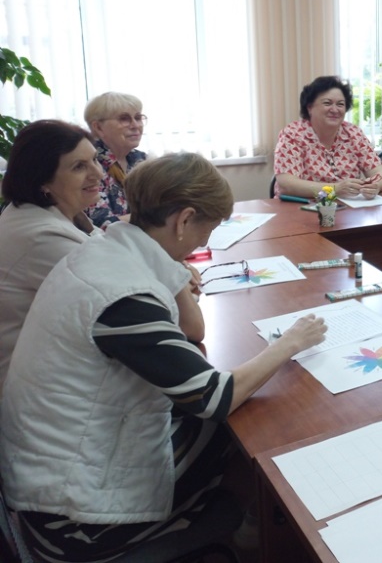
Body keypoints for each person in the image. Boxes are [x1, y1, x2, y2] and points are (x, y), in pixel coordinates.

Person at [0, 153, 327, 561]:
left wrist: (173, 258)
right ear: (183, 219)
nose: (205, 242)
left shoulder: (110, 247)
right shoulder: (123, 294)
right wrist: (290, 342)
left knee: (224, 418)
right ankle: (256, 536)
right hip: (70, 519)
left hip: (51, 470)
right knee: (252, 431)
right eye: (207, 228)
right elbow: (214, 397)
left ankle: (246, 525)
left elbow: (192, 331)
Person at [0, 120, 102, 392]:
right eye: (79, 167)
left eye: (94, 160)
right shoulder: (42, 236)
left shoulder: (58, 215)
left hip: (52, 372)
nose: (98, 173)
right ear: (43, 179)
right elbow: (120, 303)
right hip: (33, 395)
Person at [273, 75, 382, 200]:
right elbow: (287, 184)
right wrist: (335, 189)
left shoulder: (353, 133)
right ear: (309, 107)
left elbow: (380, 172)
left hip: (348, 208)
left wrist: (375, 186)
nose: (335, 110)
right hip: (301, 207)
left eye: (340, 104)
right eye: (327, 103)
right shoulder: (292, 134)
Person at [84, 91, 148, 229]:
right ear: (98, 127)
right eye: (124, 119)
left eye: (138, 118)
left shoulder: (142, 160)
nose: (135, 125)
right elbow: (102, 225)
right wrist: (156, 217)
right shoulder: (89, 165)